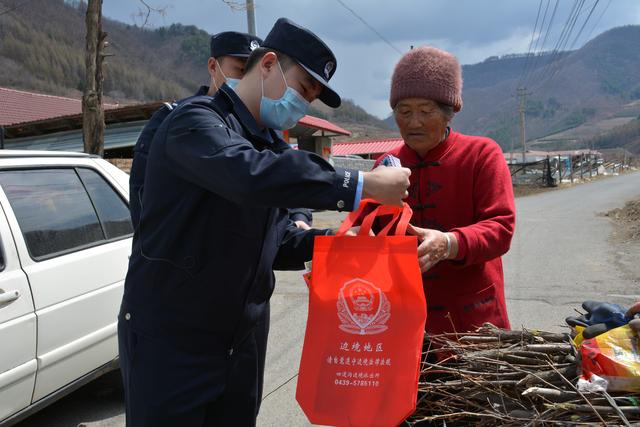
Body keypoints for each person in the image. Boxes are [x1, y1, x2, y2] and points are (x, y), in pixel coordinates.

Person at [118, 17, 410, 427]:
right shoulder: (194, 122)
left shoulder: (266, 143)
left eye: (310, 98)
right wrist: (361, 183)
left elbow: (276, 243)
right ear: (268, 64)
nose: (302, 104)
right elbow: (247, 176)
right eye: (302, 89)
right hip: (173, 344)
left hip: (240, 344)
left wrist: (343, 241)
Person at [375, 46, 516, 334]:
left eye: (425, 111)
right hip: (403, 319)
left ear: (449, 112)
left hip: (474, 320)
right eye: (404, 111)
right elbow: (372, 231)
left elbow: (501, 228)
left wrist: (449, 243)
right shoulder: (385, 165)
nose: (414, 122)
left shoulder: (481, 154)